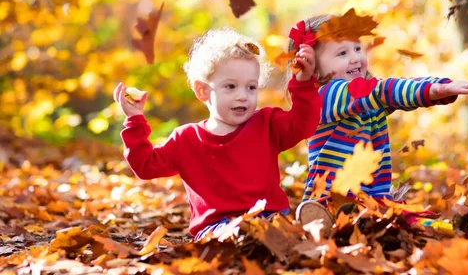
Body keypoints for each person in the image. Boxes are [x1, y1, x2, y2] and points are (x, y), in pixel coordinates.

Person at [288, 15, 468, 234]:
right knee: (381, 218)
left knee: (407, 217)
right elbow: (382, 92)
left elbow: (398, 91)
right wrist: (434, 90)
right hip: (331, 198)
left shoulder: (369, 97)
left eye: (357, 49)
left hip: (374, 199)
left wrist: (442, 86)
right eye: (342, 53)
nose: (355, 58)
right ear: (316, 70)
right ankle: (322, 222)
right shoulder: (323, 97)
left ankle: (455, 228)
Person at [113, 27, 321, 240]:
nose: (243, 96)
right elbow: (145, 166)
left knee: (279, 228)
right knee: (236, 235)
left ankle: (303, 233)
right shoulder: (185, 139)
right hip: (217, 227)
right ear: (202, 90)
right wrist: (135, 120)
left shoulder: (267, 123)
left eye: (251, 88)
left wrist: (304, 83)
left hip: (269, 215)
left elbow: (303, 125)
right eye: (230, 86)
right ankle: (260, 241)